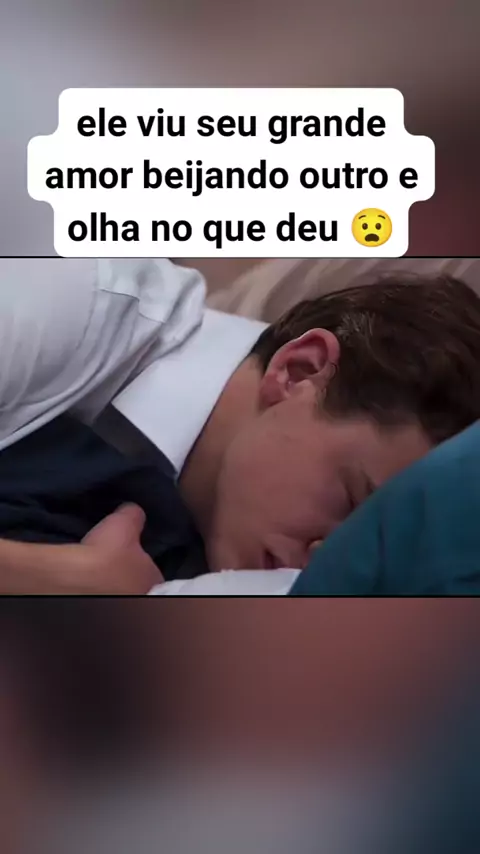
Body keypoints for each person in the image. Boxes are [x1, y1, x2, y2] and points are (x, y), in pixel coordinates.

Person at [1, 260, 480, 593]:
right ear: (299, 372)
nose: (327, 555)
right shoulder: (71, 300)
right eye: (350, 501)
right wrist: (54, 577)